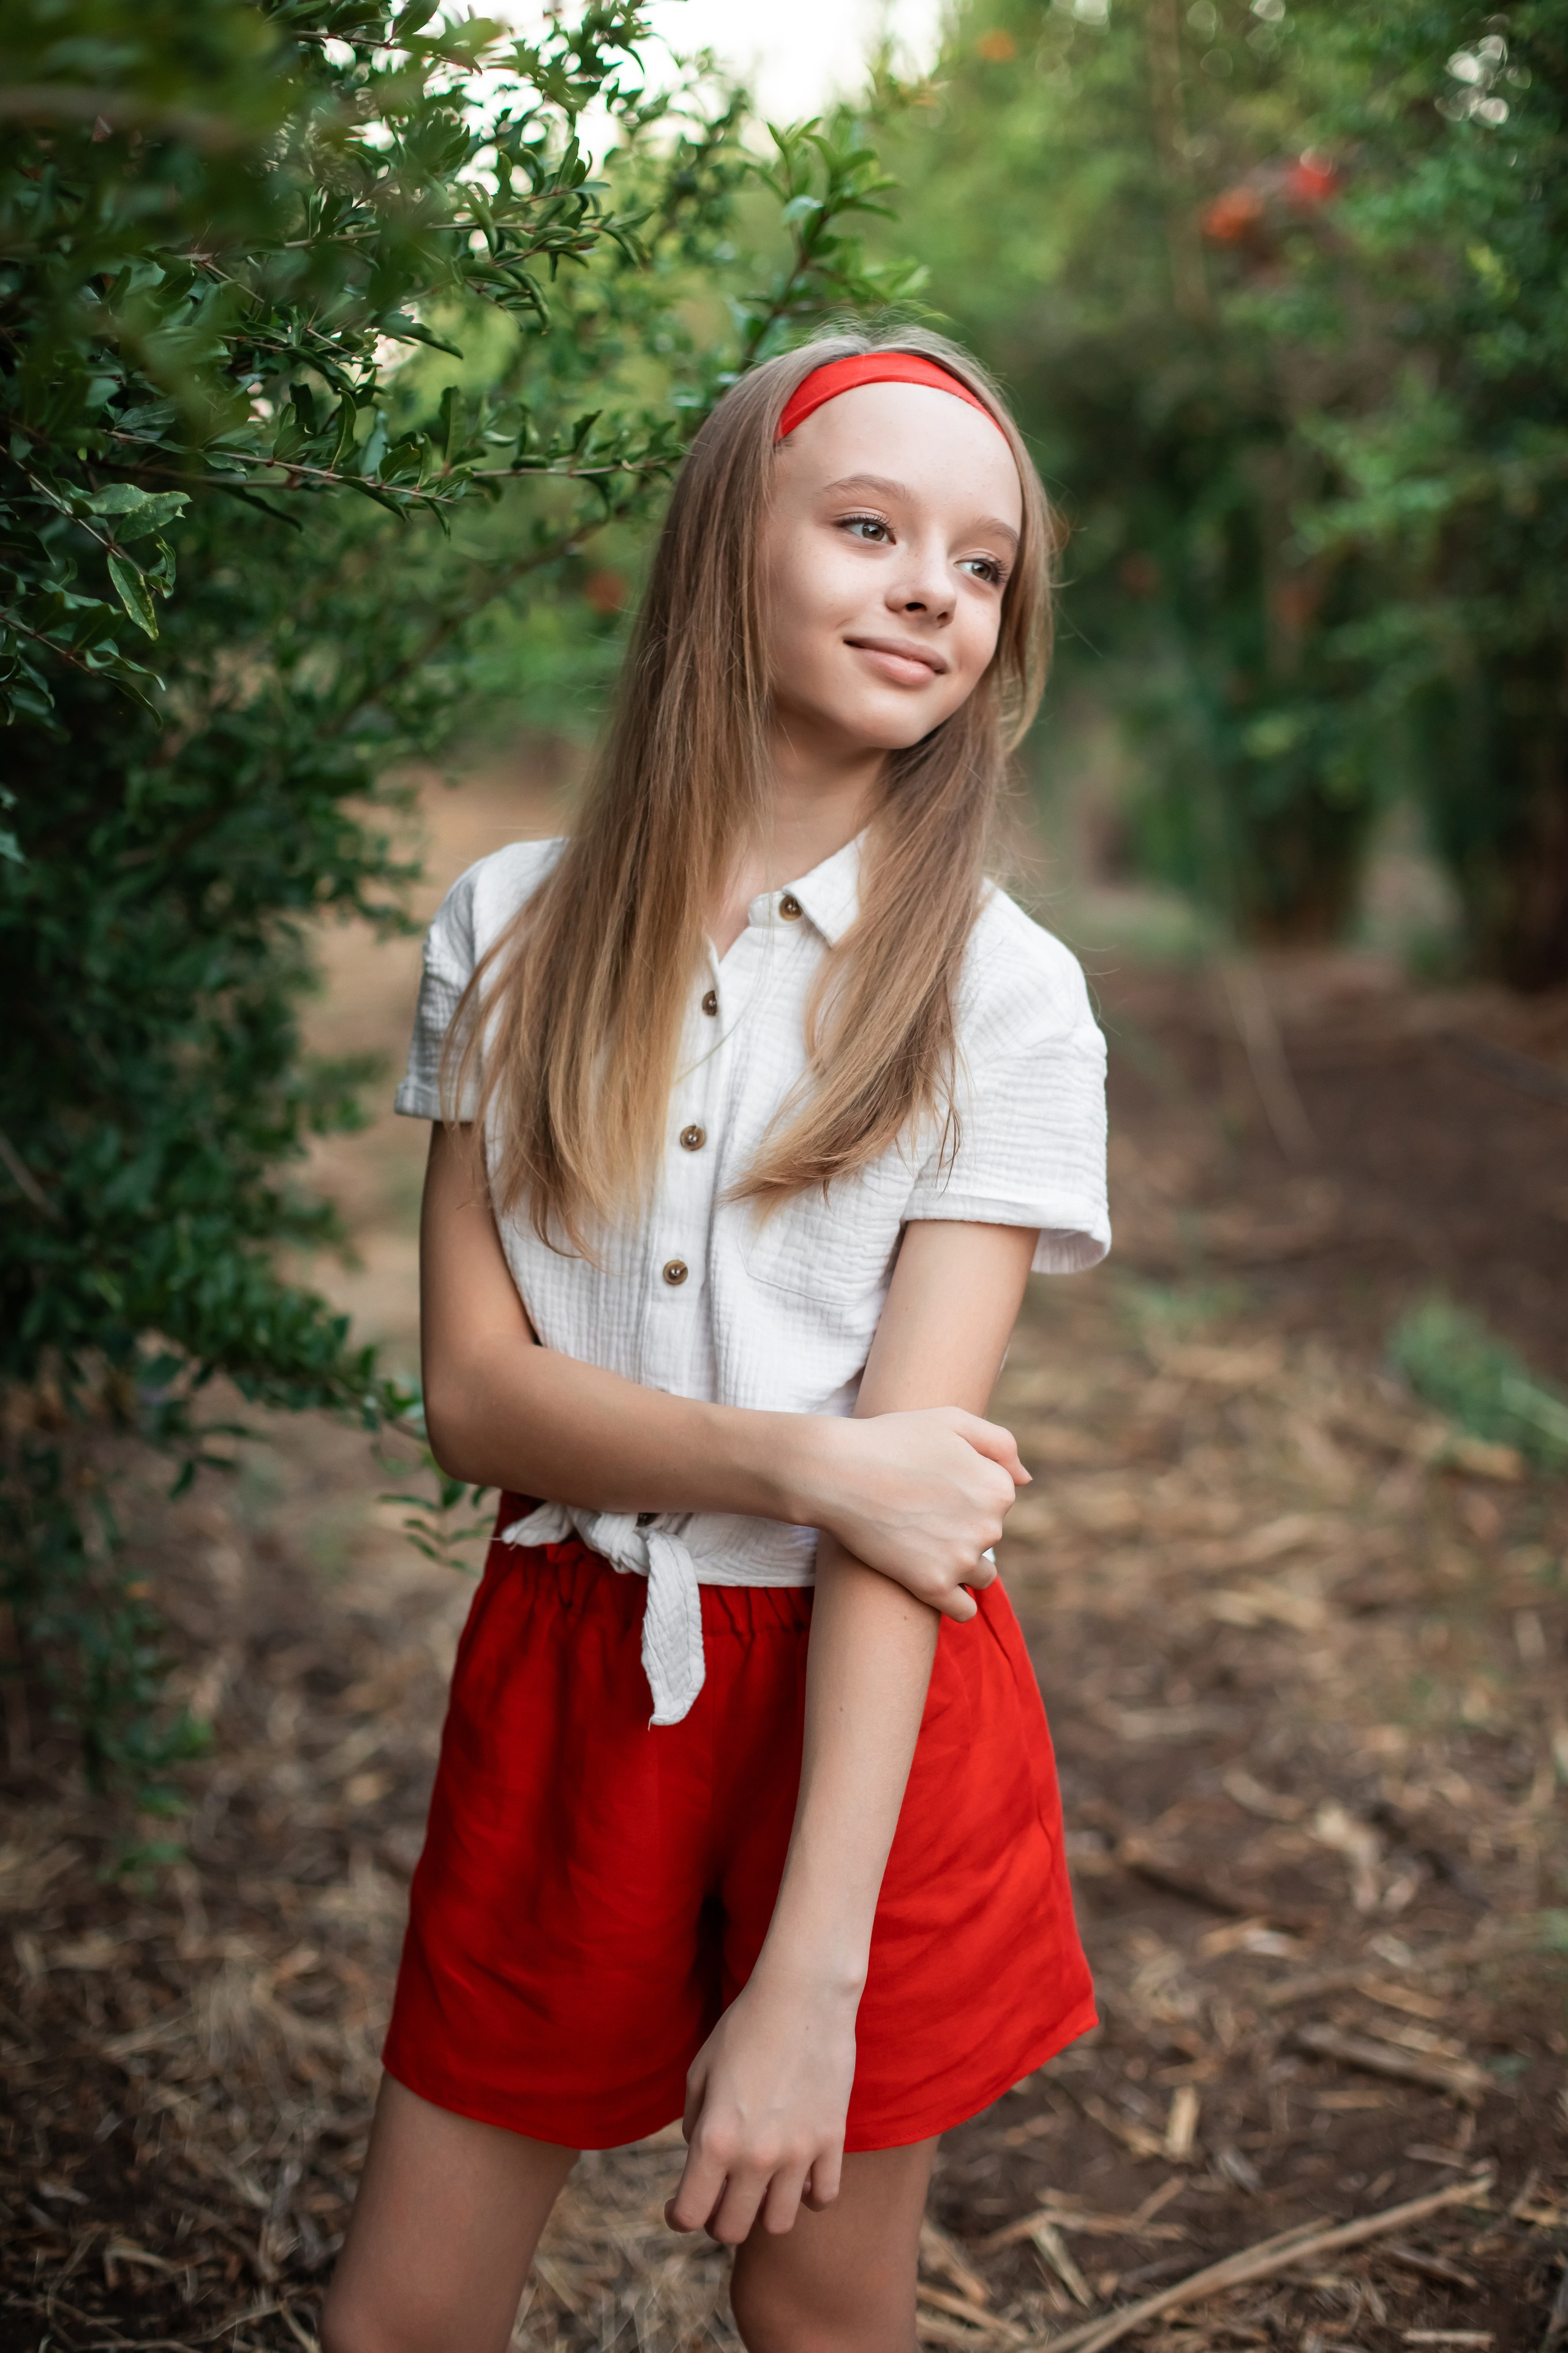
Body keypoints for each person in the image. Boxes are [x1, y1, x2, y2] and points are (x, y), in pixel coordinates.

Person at [322, 331, 1110, 2353]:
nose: (936, 587)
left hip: (862, 1708)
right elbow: (475, 1398)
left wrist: (810, 1975)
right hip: (574, 1664)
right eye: (868, 527)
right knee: (405, 2310)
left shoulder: (1003, 1003)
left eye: (985, 563)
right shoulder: (512, 927)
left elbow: (905, 1523)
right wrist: (801, 1452)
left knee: (818, 2301)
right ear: (720, 553)